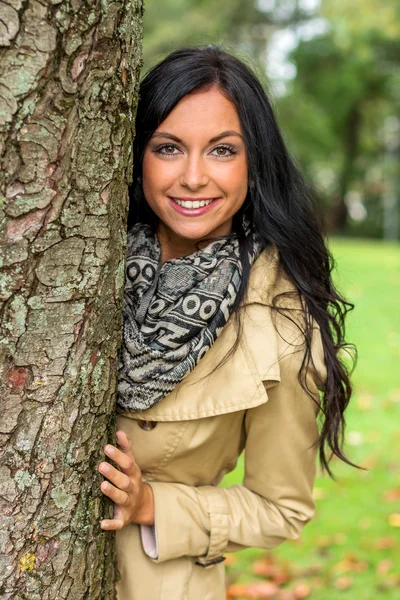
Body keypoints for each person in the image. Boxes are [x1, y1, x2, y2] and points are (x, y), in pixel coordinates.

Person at [96, 45, 357, 600]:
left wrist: (154, 505)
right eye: (168, 148)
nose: (193, 177)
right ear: (135, 153)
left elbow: (280, 507)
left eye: (221, 151)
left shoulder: (280, 322)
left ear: (253, 161)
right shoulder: (80, 264)